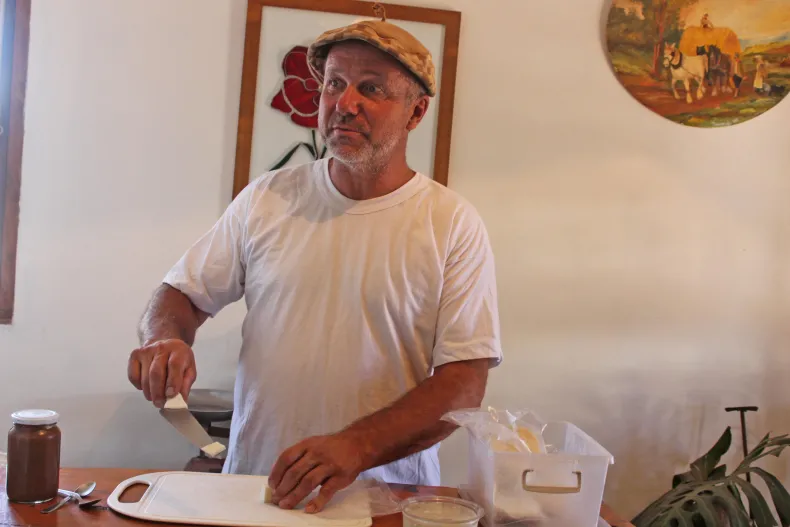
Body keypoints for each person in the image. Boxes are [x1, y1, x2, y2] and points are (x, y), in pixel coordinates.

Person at [128, 18, 502, 515]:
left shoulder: (451, 222)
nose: (344, 103)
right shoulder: (268, 198)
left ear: (416, 112)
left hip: (383, 500)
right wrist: (164, 339)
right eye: (334, 83)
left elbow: (464, 383)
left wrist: (355, 447)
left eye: (371, 88)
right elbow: (180, 294)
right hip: (257, 490)